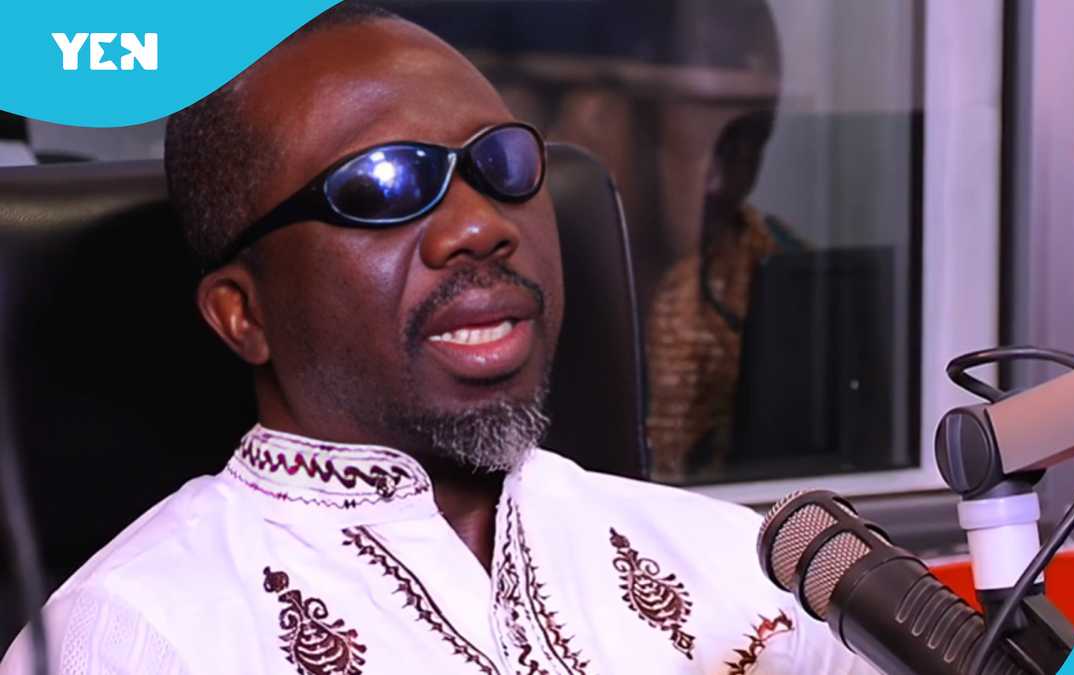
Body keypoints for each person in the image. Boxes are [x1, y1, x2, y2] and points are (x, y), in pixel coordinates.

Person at [0, 4, 872, 673]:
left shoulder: (751, 573)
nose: (480, 226)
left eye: (501, 164)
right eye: (382, 185)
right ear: (243, 312)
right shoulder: (139, 634)